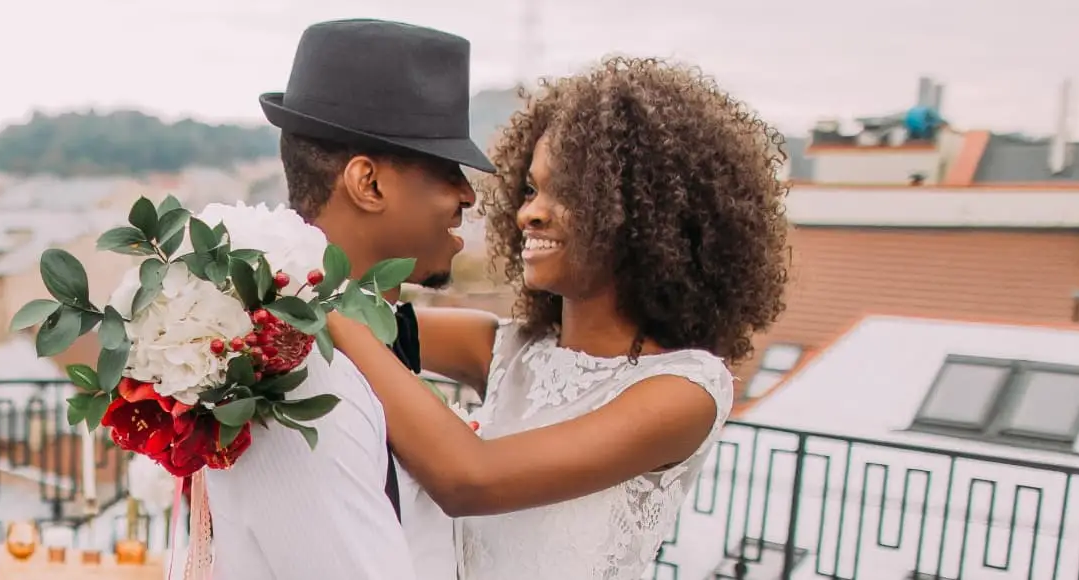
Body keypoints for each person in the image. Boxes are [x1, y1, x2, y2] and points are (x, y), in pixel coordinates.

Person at [325, 56, 791, 578]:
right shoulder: (503, 346)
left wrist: (330, 315)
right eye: (531, 189)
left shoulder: (683, 392)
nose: (530, 213)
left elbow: (468, 479)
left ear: (646, 216)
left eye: (568, 192)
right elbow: (372, 317)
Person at [203, 18, 495, 580]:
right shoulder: (302, 380)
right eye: (445, 170)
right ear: (370, 184)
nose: (468, 194)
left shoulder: (345, 342)